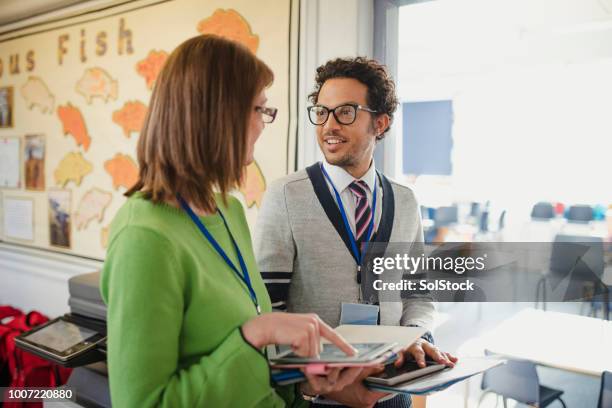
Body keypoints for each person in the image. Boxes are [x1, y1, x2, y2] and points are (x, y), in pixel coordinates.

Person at [100, 35, 363, 408]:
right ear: (217, 115)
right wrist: (255, 333)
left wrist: (309, 384)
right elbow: (144, 403)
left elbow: (254, 369)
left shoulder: (229, 211)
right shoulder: (145, 236)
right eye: (259, 109)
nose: (263, 124)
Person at [255, 57, 458, 407]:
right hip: (321, 396)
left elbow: (419, 294)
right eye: (322, 112)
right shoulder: (286, 195)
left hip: (394, 392)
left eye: (345, 112)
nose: (329, 125)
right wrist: (311, 381)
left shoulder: (406, 201)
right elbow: (269, 307)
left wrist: (413, 338)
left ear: (380, 123)